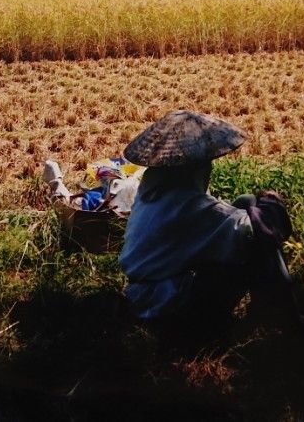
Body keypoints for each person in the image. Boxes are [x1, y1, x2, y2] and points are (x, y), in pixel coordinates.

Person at [118, 110, 294, 324]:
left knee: (246, 201)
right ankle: (284, 313)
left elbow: (223, 218)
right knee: (257, 238)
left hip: (144, 290)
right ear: (197, 170)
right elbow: (258, 228)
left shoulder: (152, 190)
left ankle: (277, 308)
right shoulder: (189, 207)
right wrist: (272, 200)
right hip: (164, 304)